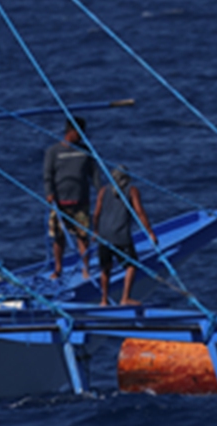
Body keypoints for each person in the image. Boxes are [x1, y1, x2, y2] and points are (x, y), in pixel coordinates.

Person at [93, 166, 157, 306]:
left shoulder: (104, 191)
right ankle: (125, 298)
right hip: (120, 234)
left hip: (104, 235)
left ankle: (104, 300)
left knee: (105, 268)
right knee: (131, 265)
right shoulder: (131, 191)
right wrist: (150, 233)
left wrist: (96, 231)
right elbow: (140, 212)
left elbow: (97, 213)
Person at [43, 116, 97, 280]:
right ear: (71, 132)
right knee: (58, 238)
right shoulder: (53, 152)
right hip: (60, 203)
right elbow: (48, 175)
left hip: (81, 201)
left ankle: (85, 268)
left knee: (83, 236)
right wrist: (49, 192)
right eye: (79, 132)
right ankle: (58, 269)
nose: (82, 136)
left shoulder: (86, 151)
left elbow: (94, 174)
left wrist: (102, 191)